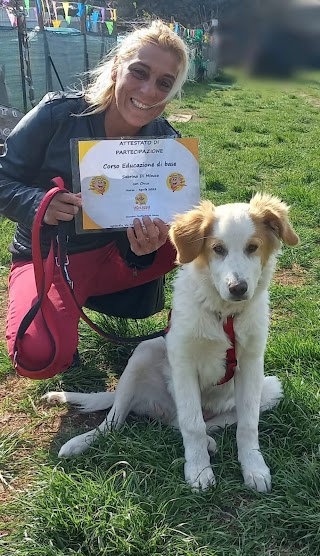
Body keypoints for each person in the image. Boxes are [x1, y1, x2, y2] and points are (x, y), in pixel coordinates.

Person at [0, 20, 190, 378]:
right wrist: (39, 203)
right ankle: (59, 304)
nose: (149, 91)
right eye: (139, 72)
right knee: (37, 355)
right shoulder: (57, 114)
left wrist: (146, 246)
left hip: (114, 255)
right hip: (50, 254)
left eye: (164, 83)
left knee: (191, 236)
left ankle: (190, 337)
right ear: (117, 67)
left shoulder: (166, 142)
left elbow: (175, 218)